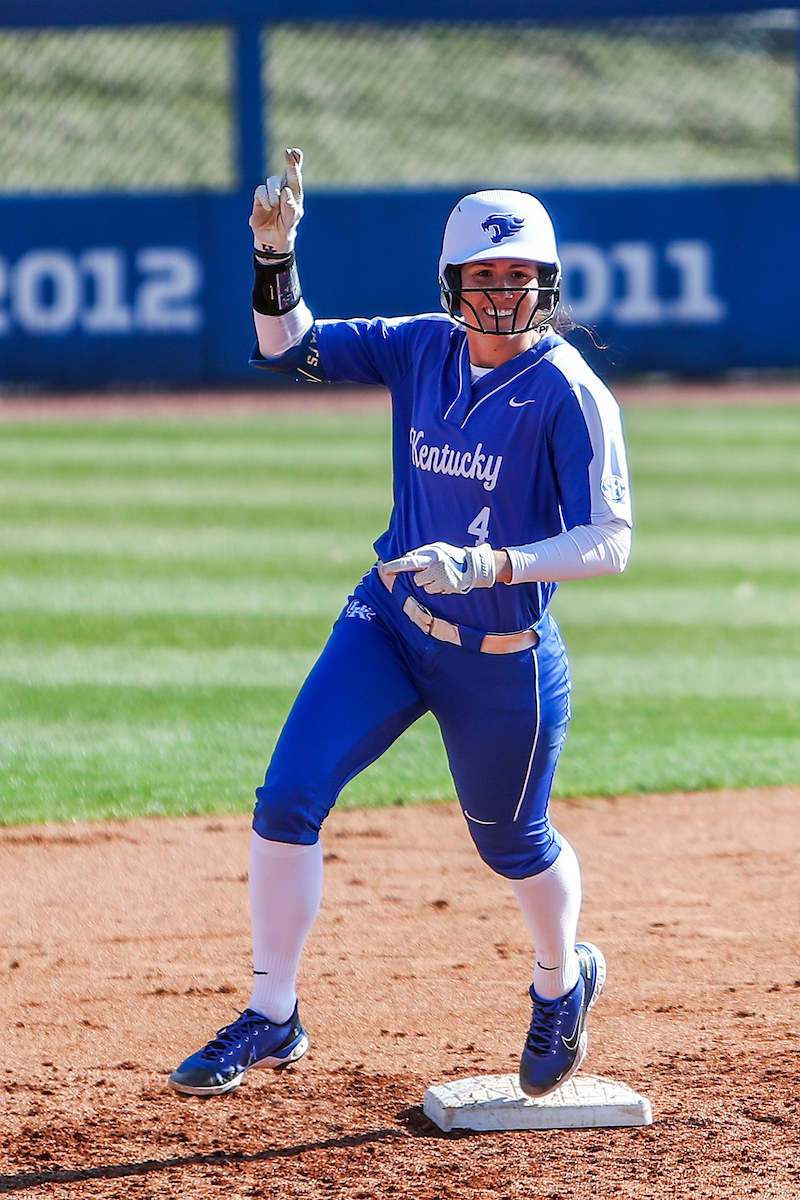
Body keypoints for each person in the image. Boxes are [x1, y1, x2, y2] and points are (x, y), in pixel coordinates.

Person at [169, 149, 632, 1100]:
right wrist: (274, 256)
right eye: (481, 277)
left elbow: (610, 540)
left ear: (545, 286)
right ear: (452, 284)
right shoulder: (422, 345)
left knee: (512, 843)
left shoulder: (571, 392)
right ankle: (272, 1015)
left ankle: (560, 981)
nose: (499, 295)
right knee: (287, 796)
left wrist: (494, 563)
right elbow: (286, 348)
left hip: (501, 657)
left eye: (518, 278)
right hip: (391, 619)